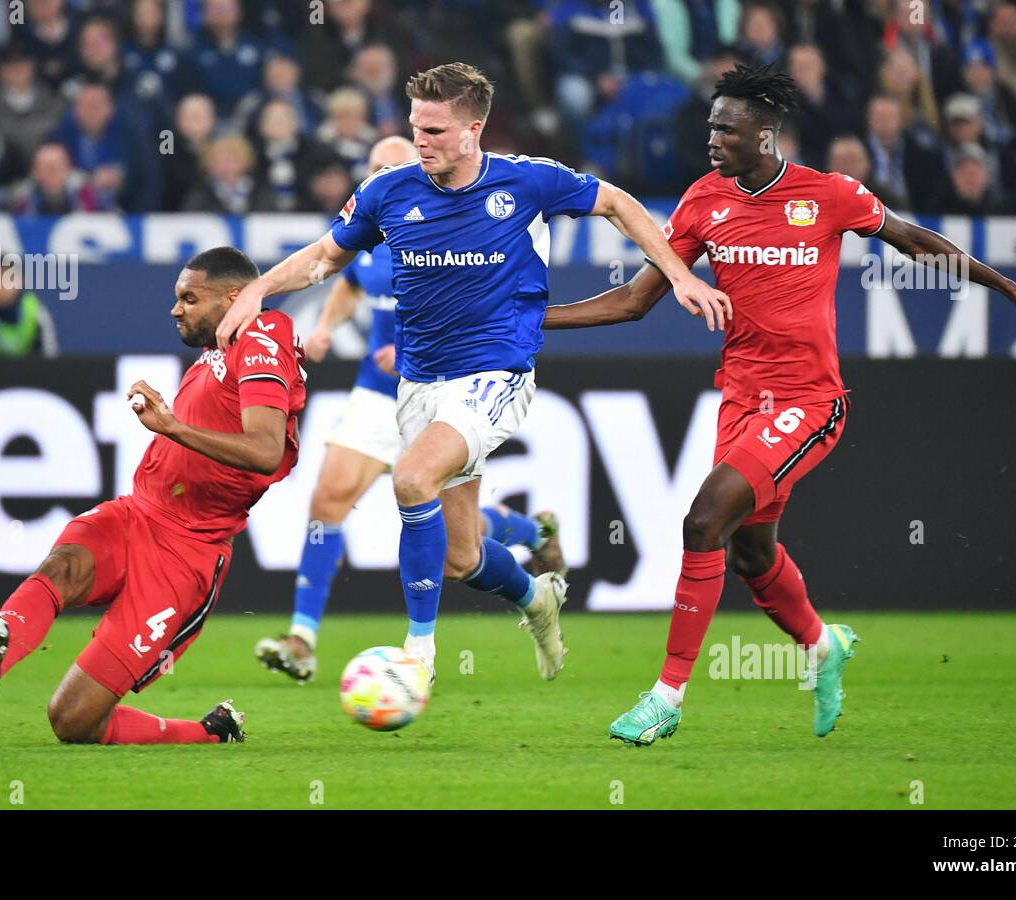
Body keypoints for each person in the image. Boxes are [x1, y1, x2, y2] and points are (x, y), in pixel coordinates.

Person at [543, 63, 1016, 745]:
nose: (713, 138)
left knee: (704, 521)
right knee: (751, 555)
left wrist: (1009, 289)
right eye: (710, 126)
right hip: (740, 401)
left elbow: (915, 241)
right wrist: (535, 321)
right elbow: (637, 299)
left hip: (809, 401)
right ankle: (822, 645)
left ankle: (666, 696)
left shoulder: (828, 195)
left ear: (765, 134)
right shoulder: (703, 202)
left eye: (727, 128)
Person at [216, 62, 729, 684]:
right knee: (461, 556)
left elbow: (618, 205)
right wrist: (259, 290)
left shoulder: (527, 181)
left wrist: (677, 274)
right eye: (414, 126)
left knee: (410, 479)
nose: (420, 140)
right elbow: (326, 257)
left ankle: (418, 657)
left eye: (432, 129)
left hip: (495, 374)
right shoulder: (389, 191)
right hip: (420, 384)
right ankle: (536, 598)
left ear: (472, 130)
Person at [0, 246, 307, 745]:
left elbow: (265, 450)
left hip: (185, 555)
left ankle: (213, 733)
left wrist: (172, 426)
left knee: (72, 720)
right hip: (134, 514)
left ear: (236, 296)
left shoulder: (264, 332)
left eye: (190, 297)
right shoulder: (221, 348)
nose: (176, 309)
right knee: (63, 568)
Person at [254, 136, 568, 684]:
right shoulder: (375, 234)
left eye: (392, 166)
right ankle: (302, 637)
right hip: (380, 396)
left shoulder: (453, 227)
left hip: (446, 386)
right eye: (374, 169)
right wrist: (326, 326)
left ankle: (526, 537)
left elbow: (476, 300)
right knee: (329, 500)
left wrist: (413, 345)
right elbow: (346, 280)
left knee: (454, 540)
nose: (382, 178)